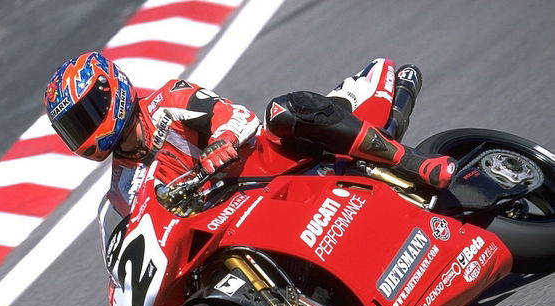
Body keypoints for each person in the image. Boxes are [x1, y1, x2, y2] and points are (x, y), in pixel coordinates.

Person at [44, 52, 456, 215]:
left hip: (269, 163)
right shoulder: (121, 188)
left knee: (282, 110)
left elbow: (235, 116)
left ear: (108, 94)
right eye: (72, 128)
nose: (81, 133)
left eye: (83, 118)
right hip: (233, 217)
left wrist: (222, 143)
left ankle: (417, 163)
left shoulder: (169, 98)